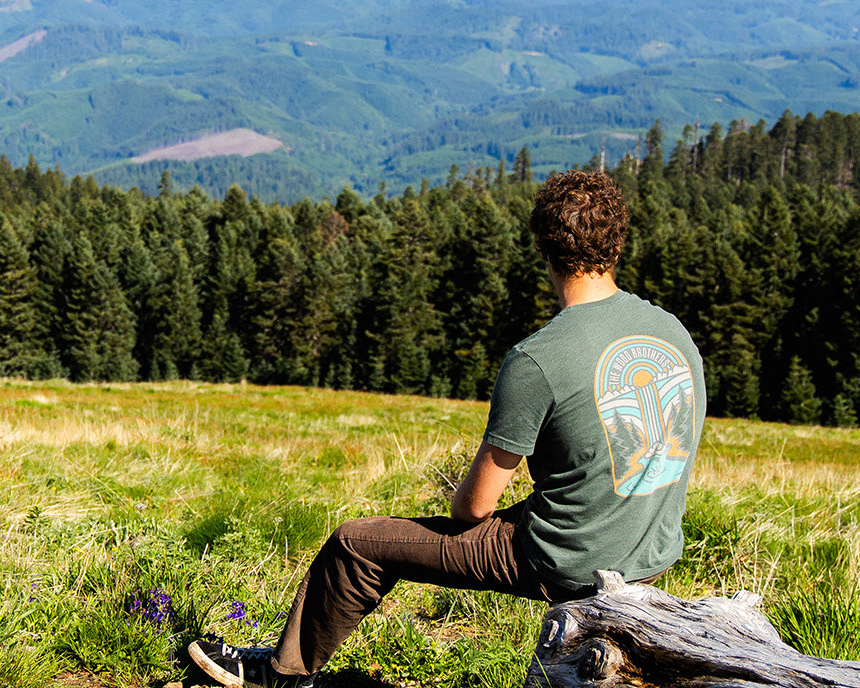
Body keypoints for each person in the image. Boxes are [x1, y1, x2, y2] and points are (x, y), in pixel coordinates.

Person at [189, 170, 708, 687]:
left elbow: (473, 509)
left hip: (570, 558)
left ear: (544, 250)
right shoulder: (673, 331)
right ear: (617, 243)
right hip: (651, 552)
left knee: (356, 543)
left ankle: (281, 673)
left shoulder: (538, 359)